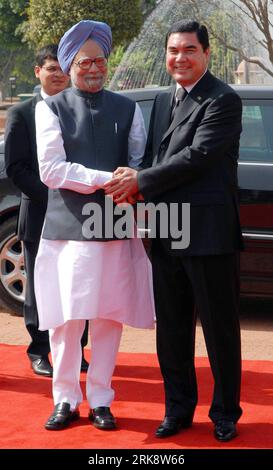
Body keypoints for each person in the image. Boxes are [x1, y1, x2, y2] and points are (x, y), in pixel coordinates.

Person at [104, 20, 243, 442]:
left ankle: (225, 414)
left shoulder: (223, 99)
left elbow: (197, 157)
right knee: (173, 329)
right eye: (172, 50)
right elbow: (156, 155)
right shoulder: (166, 99)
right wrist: (135, 177)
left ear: (206, 54)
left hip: (209, 233)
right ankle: (178, 409)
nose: (179, 58)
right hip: (166, 231)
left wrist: (140, 181)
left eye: (188, 50)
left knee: (219, 331)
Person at [34, 20, 155, 431]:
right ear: (69, 65)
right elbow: (51, 170)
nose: (93, 68)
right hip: (68, 232)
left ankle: (102, 398)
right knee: (67, 321)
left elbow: (140, 162)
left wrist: (133, 179)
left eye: (100, 61)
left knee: (108, 318)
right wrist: (108, 179)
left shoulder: (127, 107)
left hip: (115, 226)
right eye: (84, 61)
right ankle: (65, 398)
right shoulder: (49, 107)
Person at [4, 45, 89, 377]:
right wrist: (54, 196)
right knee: (41, 289)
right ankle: (40, 350)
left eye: (64, 68)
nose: (60, 74)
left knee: (78, 286)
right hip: (40, 213)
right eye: (52, 68)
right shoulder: (23, 113)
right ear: (37, 71)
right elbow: (16, 168)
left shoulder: (81, 108)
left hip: (80, 216)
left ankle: (76, 352)